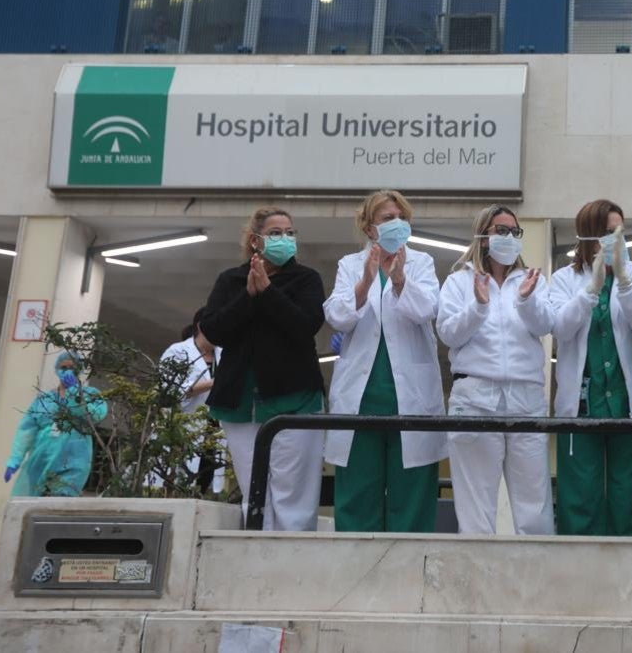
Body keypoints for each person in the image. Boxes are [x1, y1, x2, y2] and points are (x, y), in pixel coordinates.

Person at [324, 190, 447, 533]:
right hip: (361, 401)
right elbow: (337, 316)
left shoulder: (420, 262)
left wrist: (399, 278)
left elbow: (426, 309)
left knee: (412, 497)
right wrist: (365, 281)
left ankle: (409, 574)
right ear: (369, 228)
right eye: (387, 218)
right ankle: (356, 570)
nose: (396, 224)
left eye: (401, 217)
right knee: (358, 497)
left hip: (410, 399)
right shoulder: (350, 265)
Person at [201, 207, 326, 531]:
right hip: (240, 401)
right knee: (254, 492)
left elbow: (305, 325)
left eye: (289, 232)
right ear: (256, 240)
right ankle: (257, 562)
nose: (285, 238)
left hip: (295, 398)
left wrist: (268, 293)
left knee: (292, 493)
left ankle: (292, 564)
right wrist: (249, 296)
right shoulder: (230, 280)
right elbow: (213, 330)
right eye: (275, 233)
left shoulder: (306, 279)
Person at [437, 204, 555, 535]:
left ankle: (536, 581)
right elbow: (447, 333)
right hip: (474, 398)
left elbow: (547, 324)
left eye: (515, 232)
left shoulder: (531, 279)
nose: (510, 237)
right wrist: (479, 305)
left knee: (535, 506)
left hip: (526, 399)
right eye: (501, 230)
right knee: (476, 509)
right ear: (483, 237)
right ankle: (475, 584)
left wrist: (526, 300)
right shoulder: (459, 281)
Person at [549, 200, 632, 536]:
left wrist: (622, 279)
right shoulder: (564, 278)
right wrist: (591, 290)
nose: (615, 239)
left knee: (629, 499)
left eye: (620, 232)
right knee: (580, 498)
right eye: (609, 232)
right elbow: (561, 328)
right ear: (590, 234)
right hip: (580, 405)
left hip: (628, 405)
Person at [4, 352, 108, 497]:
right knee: (35, 506)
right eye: (63, 367)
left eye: (72, 367)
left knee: (59, 503)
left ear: (79, 369)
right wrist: (15, 459)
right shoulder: (44, 400)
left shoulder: (91, 395)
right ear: (57, 369)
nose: (67, 370)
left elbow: (96, 415)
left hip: (74, 461)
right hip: (40, 459)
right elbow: (26, 430)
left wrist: (74, 392)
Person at [159, 308, 224, 494]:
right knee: (175, 479)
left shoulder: (226, 355)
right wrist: (214, 383)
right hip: (182, 429)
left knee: (206, 480)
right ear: (201, 327)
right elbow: (169, 391)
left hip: (215, 431)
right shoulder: (177, 351)